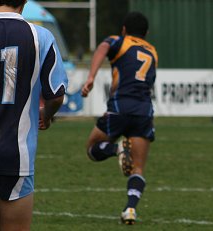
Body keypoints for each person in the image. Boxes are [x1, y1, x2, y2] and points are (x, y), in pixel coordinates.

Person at [0, 0, 68, 230]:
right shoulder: (41, 37)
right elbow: (56, 95)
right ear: (23, 1)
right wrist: (47, 114)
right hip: (18, 154)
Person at [81, 11, 158, 225]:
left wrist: (91, 77)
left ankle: (116, 149)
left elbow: (103, 48)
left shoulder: (119, 41)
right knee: (138, 167)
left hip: (120, 107)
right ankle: (130, 208)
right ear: (147, 33)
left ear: (123, 29)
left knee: (92, 148)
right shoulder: (152, 51)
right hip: (143, 111)